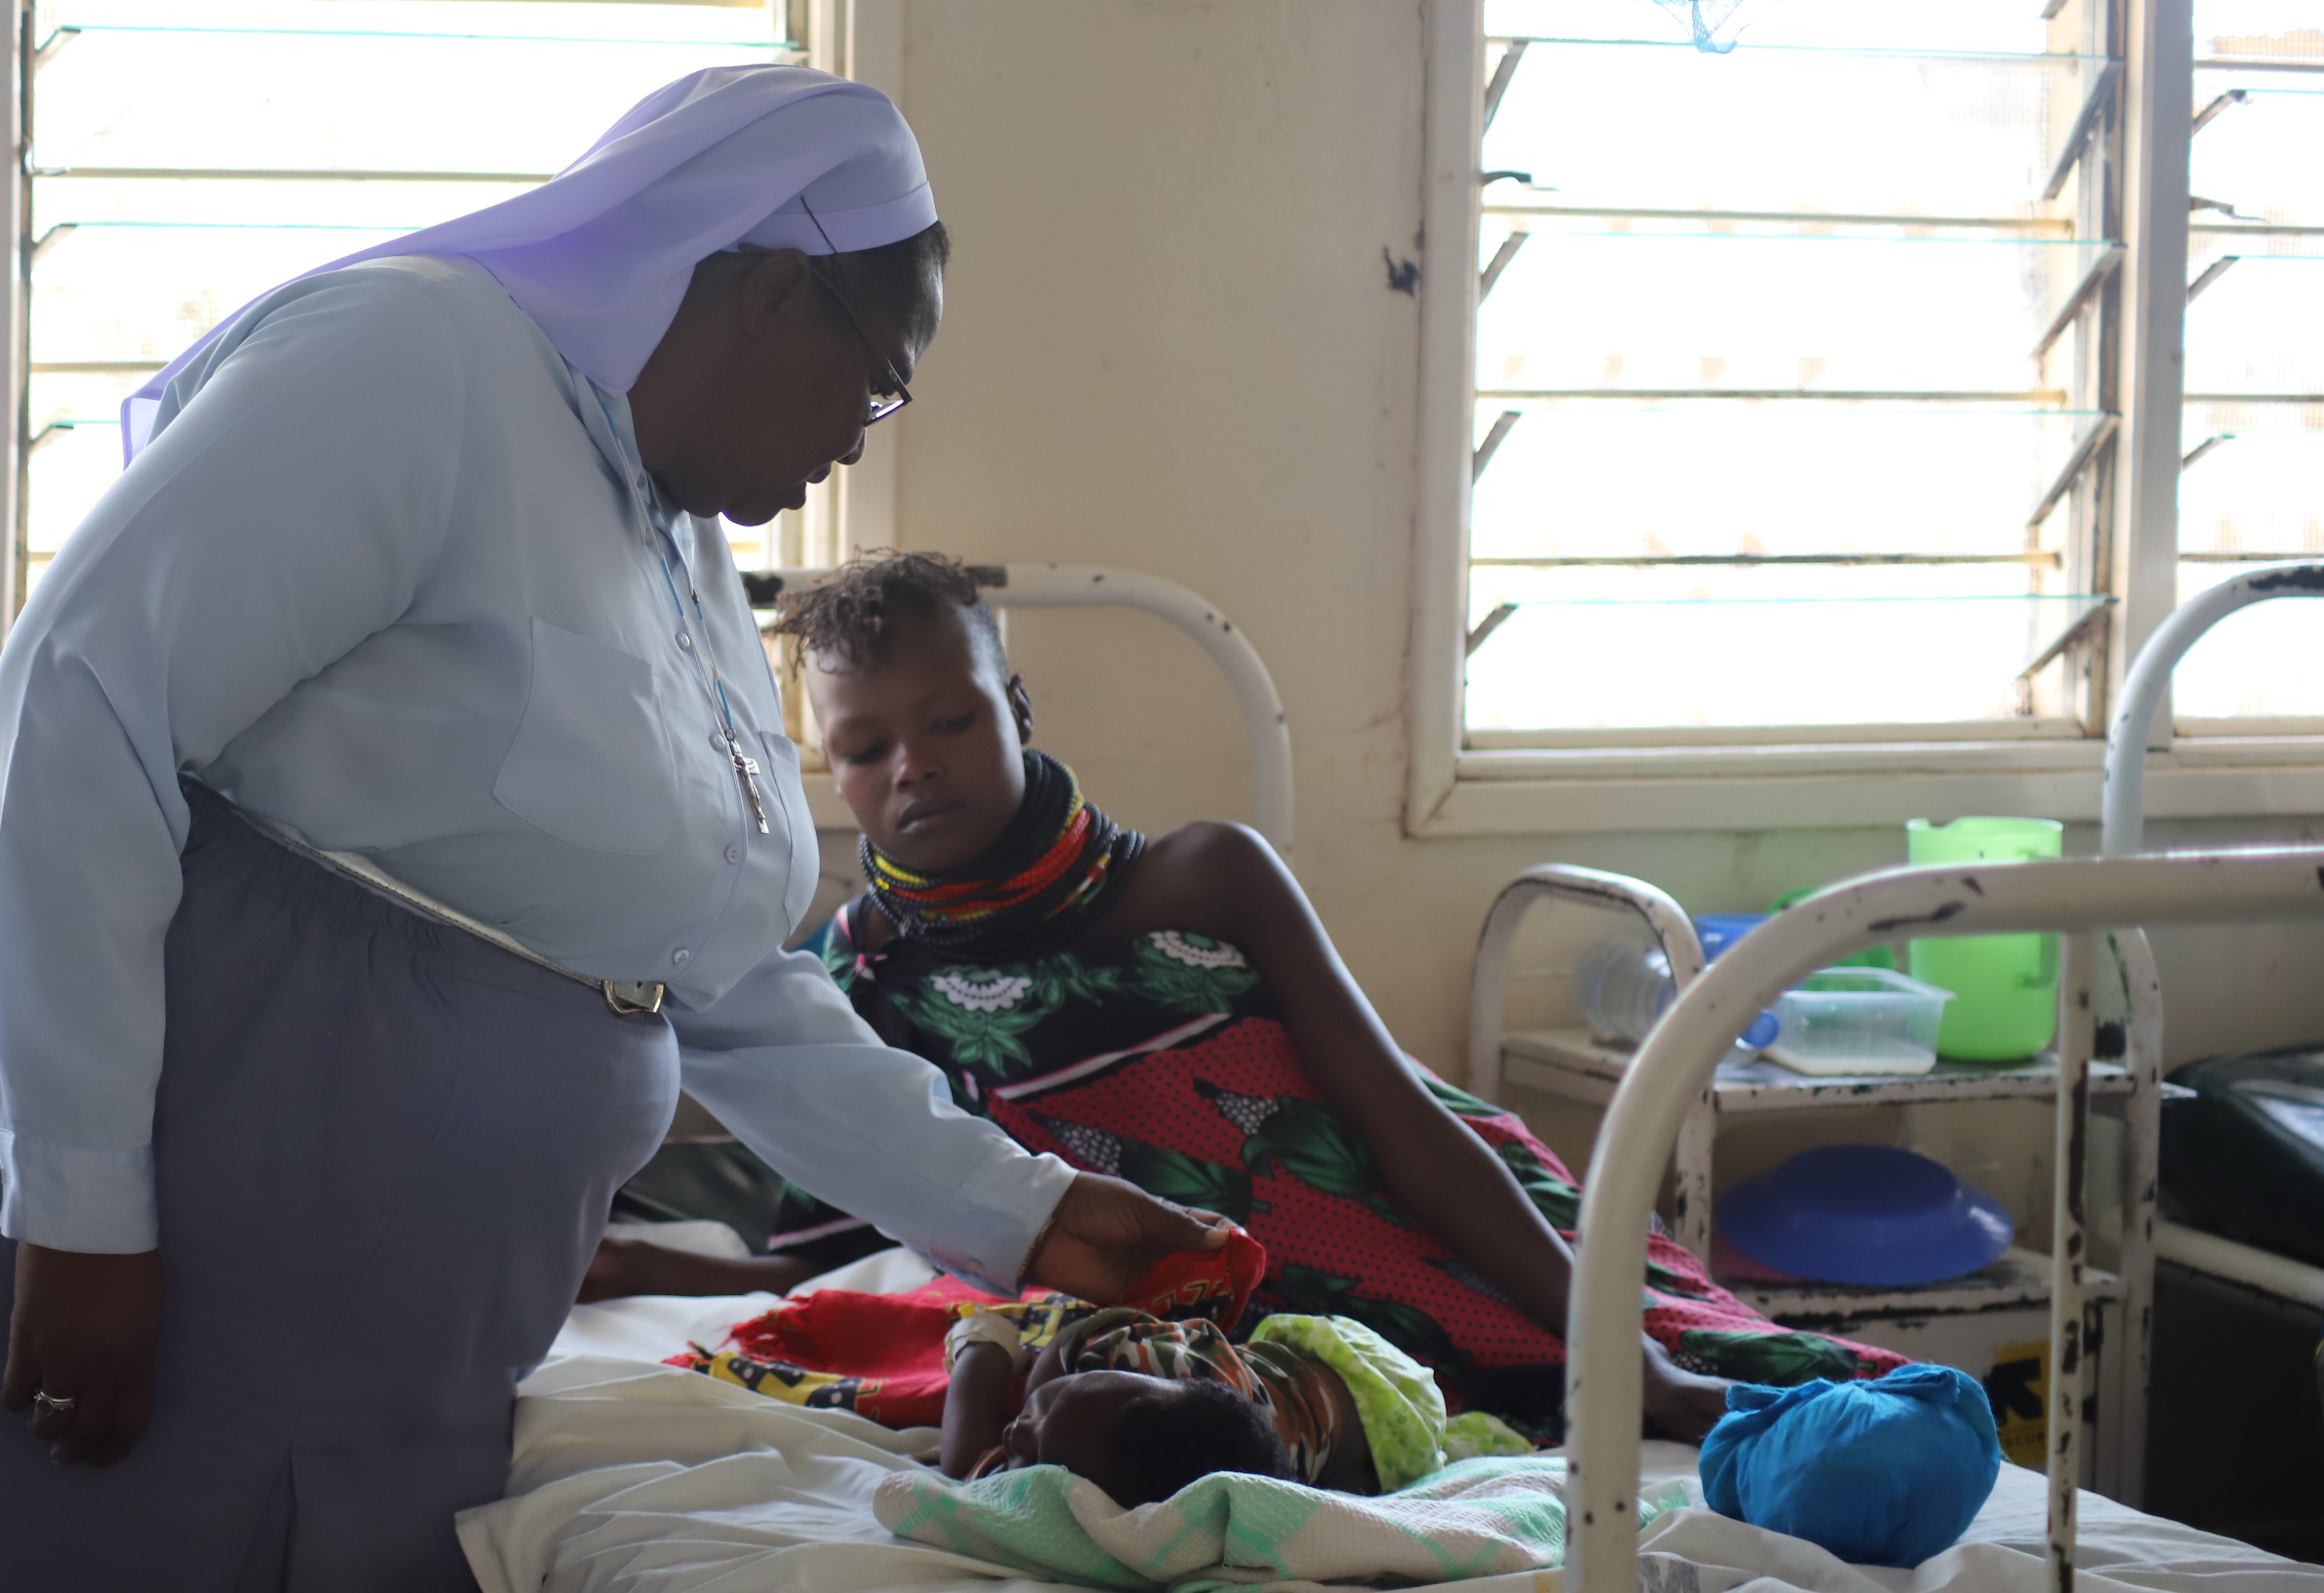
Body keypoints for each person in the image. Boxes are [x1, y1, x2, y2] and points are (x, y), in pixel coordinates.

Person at [0, 70, 1217, 1592]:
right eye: (878, 376)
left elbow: (712, 972)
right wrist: (82, 1213)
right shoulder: (415, 360)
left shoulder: (674, 532)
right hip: (224, 1268)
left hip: (429, 1339)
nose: (862, 434)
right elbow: (76, 709)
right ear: (772, 290)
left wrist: (1026, 1212)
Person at [596, 552, 1907, 1444]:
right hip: (1216, 1299)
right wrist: (609, 1257)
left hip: (1438, 1213)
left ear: (1019, 708)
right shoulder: (860, 971)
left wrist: (1619, 1349)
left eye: (950, 721)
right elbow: (836, 1247)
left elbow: (1399, 1114)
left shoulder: (1204, 873)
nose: (913, 770)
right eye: (866, 748)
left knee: (1748, 1384)